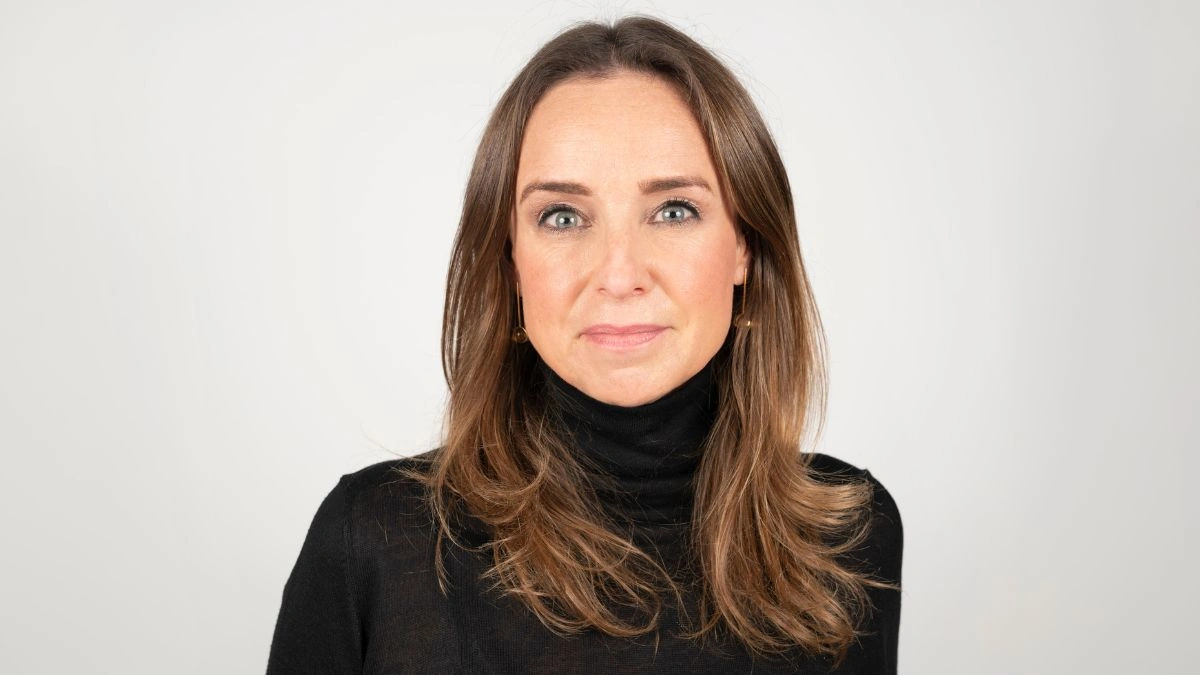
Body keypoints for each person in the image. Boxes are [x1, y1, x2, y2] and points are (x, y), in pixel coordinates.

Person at [267, 16, 902, 674]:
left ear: (744, 244)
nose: (619, 275)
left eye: (674, 210)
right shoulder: (371, 541)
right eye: (563, 216)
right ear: (511, 261)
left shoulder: (849, 536)